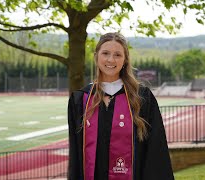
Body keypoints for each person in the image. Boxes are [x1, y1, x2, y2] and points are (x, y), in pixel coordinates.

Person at [67, 32, 174, 180]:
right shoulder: (80, 100)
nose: (111, 59)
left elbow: (156, 151)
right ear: (96, 56)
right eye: (105, 53)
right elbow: (76, 155)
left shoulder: (141, 97)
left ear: (125, 60)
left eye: (117, 55)